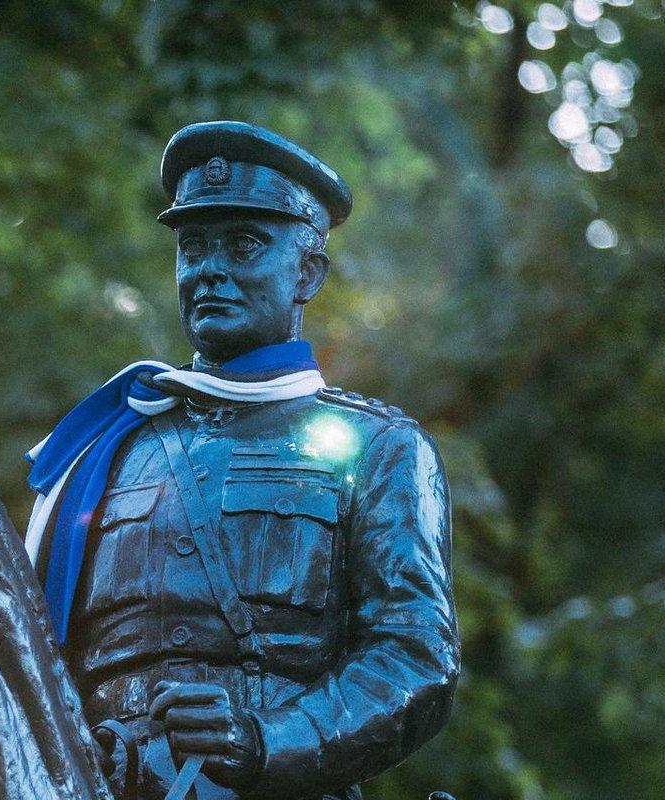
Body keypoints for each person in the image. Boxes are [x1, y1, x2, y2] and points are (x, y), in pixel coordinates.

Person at [24, 121, 460, 800]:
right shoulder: (105, 449)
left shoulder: (381, 450)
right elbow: (30, 663)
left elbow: (416, 662)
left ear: (307, 272)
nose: (209, 270)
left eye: (244, 244)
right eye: (193, 247)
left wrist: (261, 741)